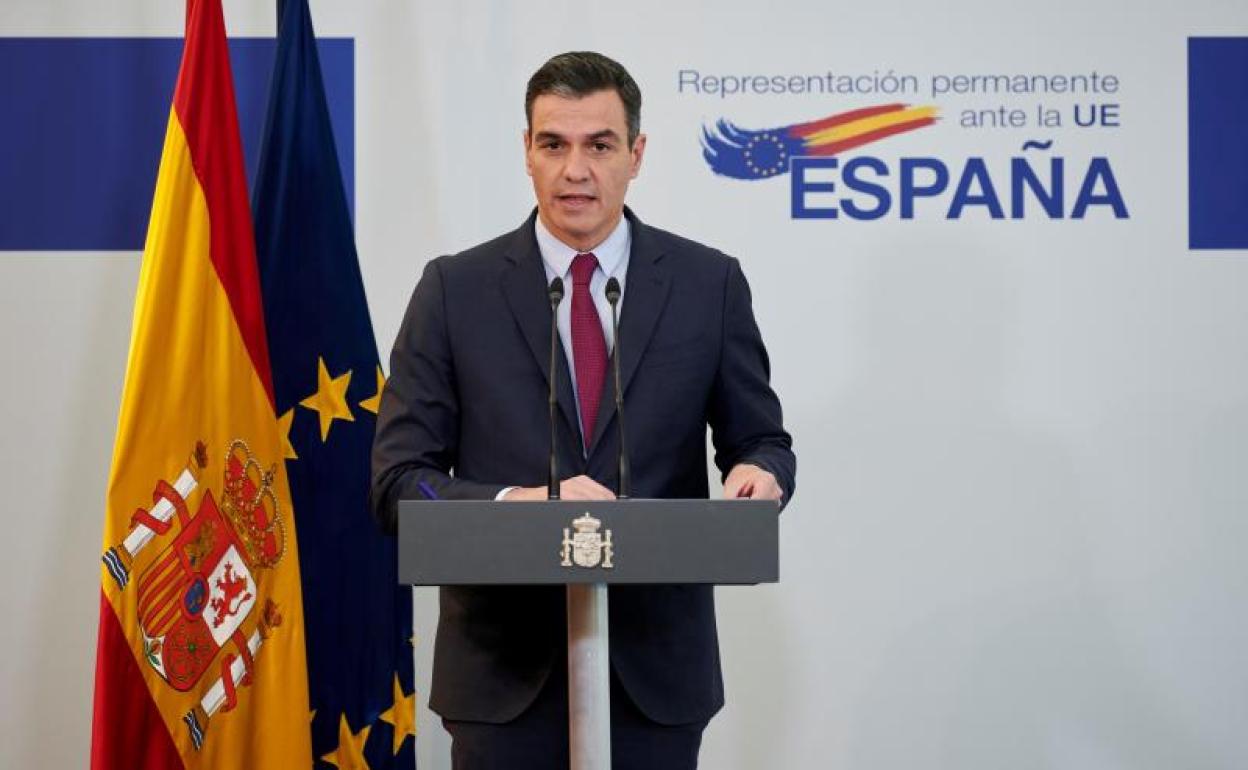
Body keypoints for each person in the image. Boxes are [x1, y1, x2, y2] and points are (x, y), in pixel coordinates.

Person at [371, 51, 796, 770]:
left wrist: (761, 474)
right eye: (553, 144)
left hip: (654, 675)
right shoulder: (454, 291)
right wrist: (519, 505)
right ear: (526, 152)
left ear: (637, 154)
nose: (575, 171)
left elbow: (761, 440)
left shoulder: (708, 285)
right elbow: (401, 482)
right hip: (502, 681)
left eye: (599, 145)